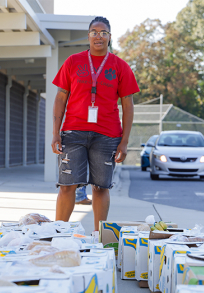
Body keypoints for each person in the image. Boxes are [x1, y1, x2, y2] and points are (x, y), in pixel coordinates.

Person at [51, 16, 139, 231]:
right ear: (88, 36)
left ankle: (100, 237)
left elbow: (128, 105)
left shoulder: (120, 66)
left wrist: (124, 141)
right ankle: (58, 234)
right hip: (73, 133)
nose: (98, 36)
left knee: (100, 187)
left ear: (109, 37)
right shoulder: (73, 61)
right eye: (94, 32)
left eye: (103, 32)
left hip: (107, 136)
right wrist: (55, 133)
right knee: (67, 185)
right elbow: (60, 98)